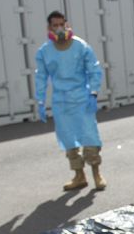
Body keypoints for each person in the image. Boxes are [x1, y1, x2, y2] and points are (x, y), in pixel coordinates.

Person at [33, 10, 106, 191]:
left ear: (67, 24)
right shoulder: (44, 52)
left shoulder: (81, 46)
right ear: (49, 28)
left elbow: (94, 70)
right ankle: (79, 175)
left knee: (90, 136)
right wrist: (40, 101)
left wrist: (93, 93)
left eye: (61, 24)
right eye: (54, 25)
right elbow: (41, 76)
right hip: (61, 101)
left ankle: (96, 172)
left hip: (81, 98)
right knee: (68, 139)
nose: (59, 29)